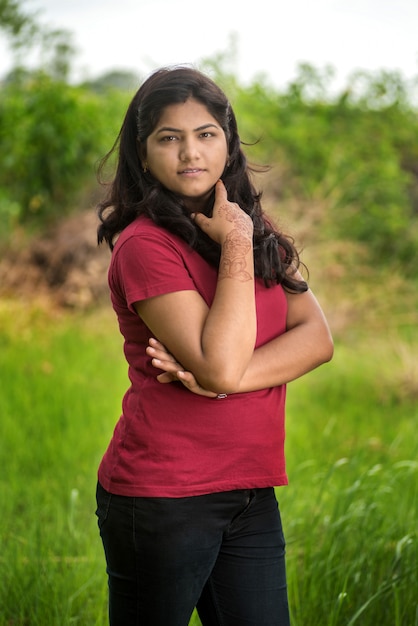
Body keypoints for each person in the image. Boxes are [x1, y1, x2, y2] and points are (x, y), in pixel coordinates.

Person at [95, 65, 333, 626]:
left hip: (250, 489)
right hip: (165, 495)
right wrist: (235, 249)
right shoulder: (144, 246)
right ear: (143, 151)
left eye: (205, 134)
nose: (189, 154)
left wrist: (221, 381)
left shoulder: (244, 225)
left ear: (227, 141)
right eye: (168, 138)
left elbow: (317, 337)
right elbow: (224, 361)